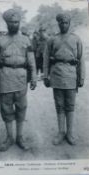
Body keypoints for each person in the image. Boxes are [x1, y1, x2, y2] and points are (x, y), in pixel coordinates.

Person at [0, 9, 37, 151]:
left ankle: (19, 137)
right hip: (5, 77)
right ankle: (9, 138)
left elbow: (32, 61)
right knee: (6, 109)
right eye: (12, 22)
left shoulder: (26, 40)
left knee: (21, 108)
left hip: (21, 77)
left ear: (19, 23)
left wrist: (33, 77)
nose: (15, 24)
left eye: (17, 22)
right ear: (7, 23)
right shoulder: (0, 40)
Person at [43, 14, 85, 145]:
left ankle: (70, 133)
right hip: (56, 75)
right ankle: (61, 132)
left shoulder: (76, 39)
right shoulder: (52, 40)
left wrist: (81, 77)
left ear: (69, 23)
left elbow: (81, 59)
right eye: (61, 22)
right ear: (58, 24)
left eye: (66, 22)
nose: (64, 25)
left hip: (71, 75)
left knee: (70, 105)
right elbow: (46, 59)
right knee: (59, 106)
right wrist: (46, 76)